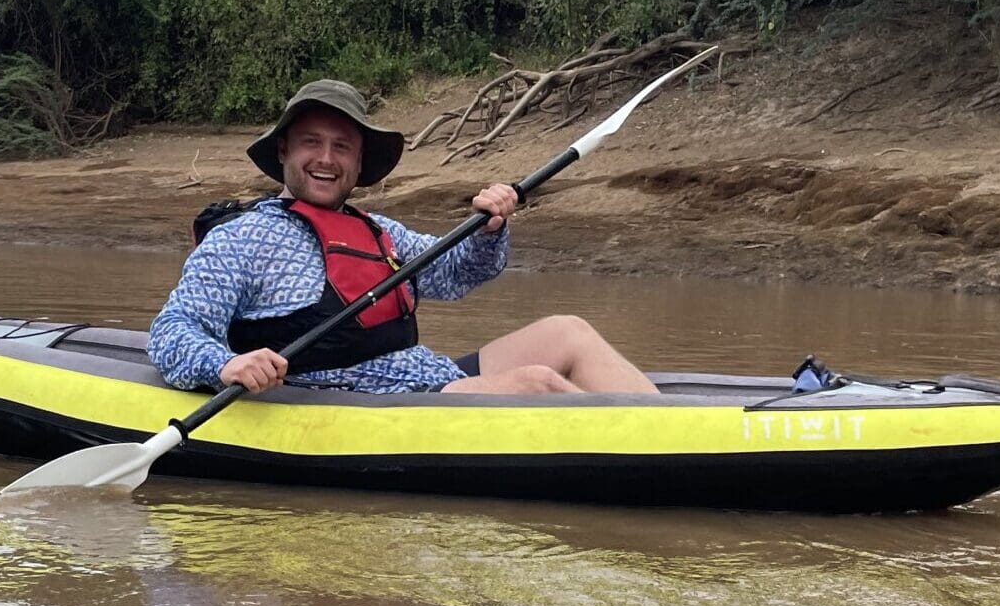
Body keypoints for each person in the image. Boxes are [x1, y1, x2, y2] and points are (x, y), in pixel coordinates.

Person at [149, 79, 655, 396]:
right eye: (311, 143)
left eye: (342, 147)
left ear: (358, 162)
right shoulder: (241, 240)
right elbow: (172, 331)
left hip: (424, 376)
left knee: (567, 332)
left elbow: (457, 274)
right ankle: (645, 457)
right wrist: (228, 363)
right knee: (536, 384)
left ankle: (672, 435)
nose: (326, 158)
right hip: (360, 402)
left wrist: (489, 228)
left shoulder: (377, 231)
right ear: (283, 151)